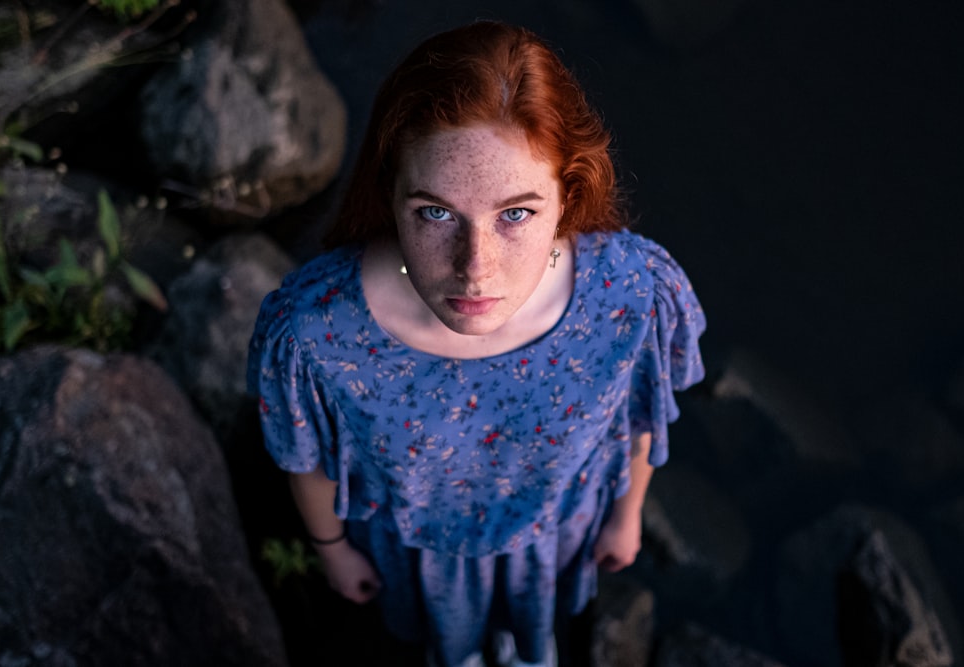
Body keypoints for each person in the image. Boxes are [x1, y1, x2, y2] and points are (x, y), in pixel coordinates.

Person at [247, 20, 705, 667]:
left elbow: (636, 422)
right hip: (415, 556)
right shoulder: (315, 333)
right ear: (391, 194)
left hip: (555, 538)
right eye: (435, 212)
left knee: (535, 635)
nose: (476, 268)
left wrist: (627, 514)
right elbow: (309, 461)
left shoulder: (629, 297)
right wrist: (333, 549)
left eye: (515, 213)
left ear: (567, 197)